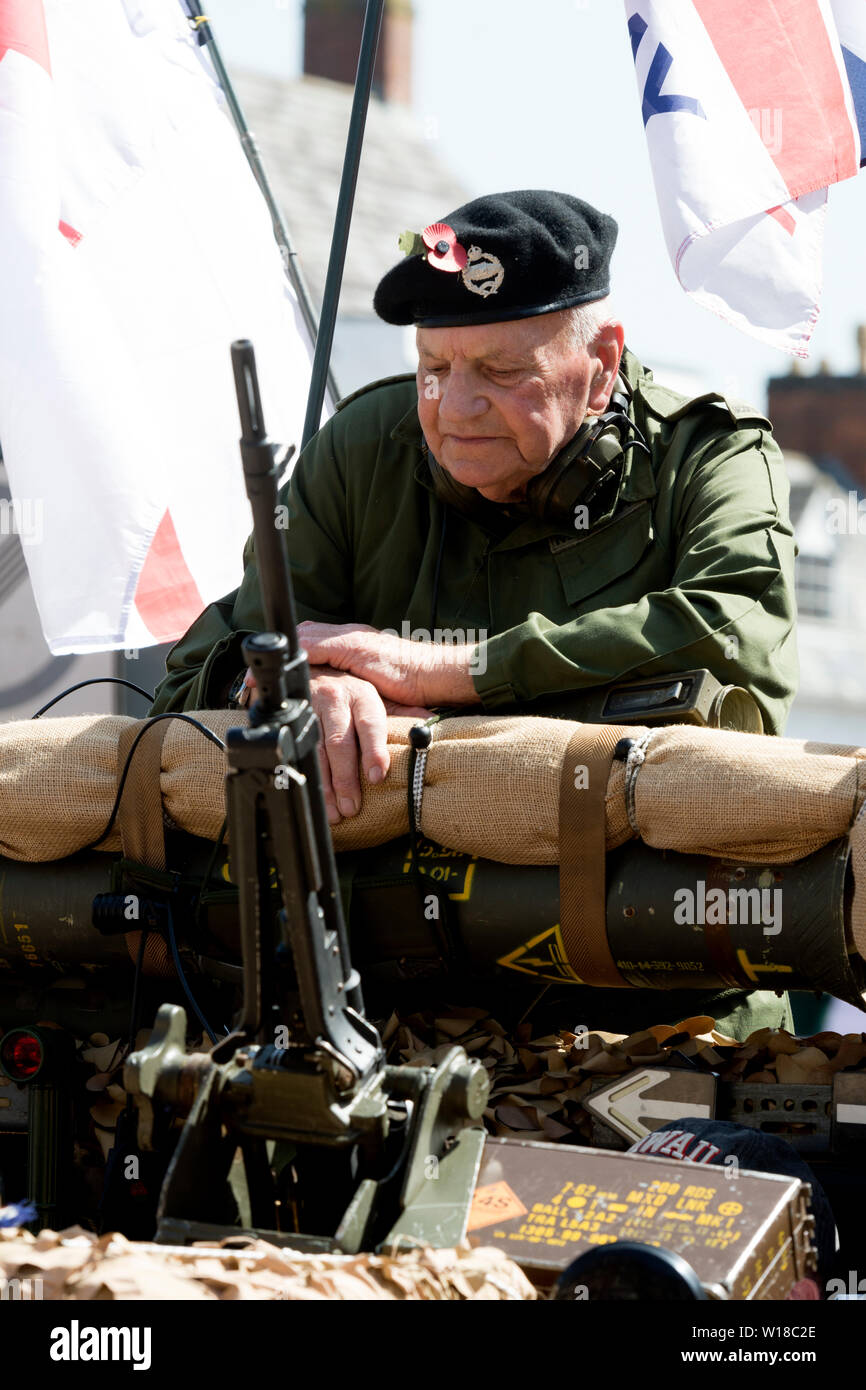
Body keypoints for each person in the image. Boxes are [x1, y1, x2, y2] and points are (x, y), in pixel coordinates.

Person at [150, 190, 798, 1038]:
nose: (454, 409)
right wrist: (283, 688)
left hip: (664, 998)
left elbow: (735, 627)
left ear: (602, 365)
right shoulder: (363, 450)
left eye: (499, 372)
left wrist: (454, 672)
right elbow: (205, 665)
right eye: (434, 369)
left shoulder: (708, 457)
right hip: (399, 1005)